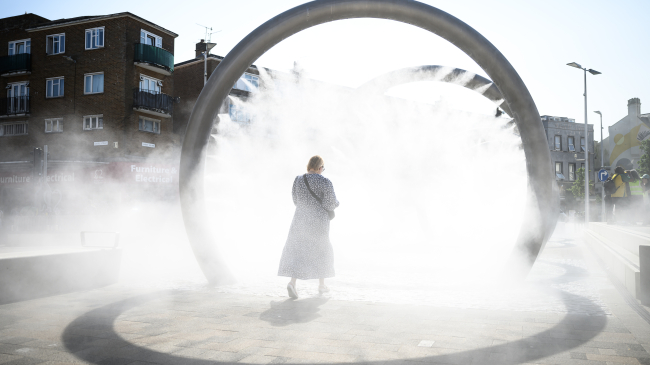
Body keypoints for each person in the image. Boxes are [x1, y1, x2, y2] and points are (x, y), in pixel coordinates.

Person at [278, 155, 339, 298]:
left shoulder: (298, 179)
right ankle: (322, 285)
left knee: (298, 251)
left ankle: (292, 283)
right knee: (321, 251)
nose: (322, 170)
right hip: (319, 223)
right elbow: (330, 203)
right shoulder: (324, 181)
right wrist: (337, 203)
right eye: (323, 168)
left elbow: (295, 200)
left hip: (300, 220)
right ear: (319, 167)